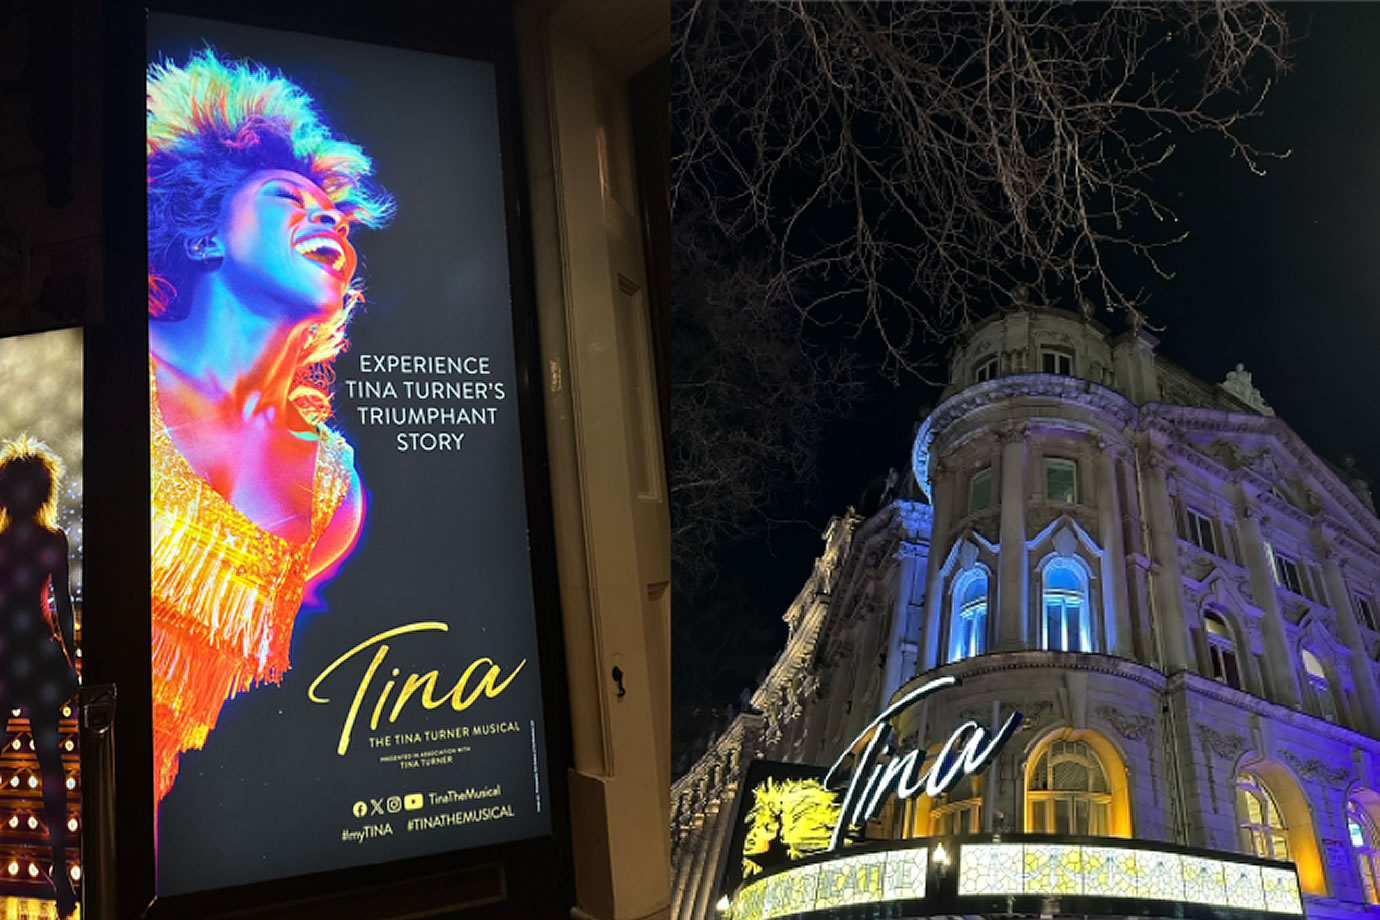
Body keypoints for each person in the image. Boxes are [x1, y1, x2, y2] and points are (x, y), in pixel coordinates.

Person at [145, 49, 394, 815]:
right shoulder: (121, 374)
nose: (327, 217)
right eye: (289, 195)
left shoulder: (334, 496)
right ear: (201, 236)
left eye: (340, 217)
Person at [0, 437, 79, 917]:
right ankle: (59, 875)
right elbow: (63, 607)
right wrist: (71, 659)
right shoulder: (53, 541)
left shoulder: (3, 544)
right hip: (44, 657)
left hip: (9, 657)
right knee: (51, 768)